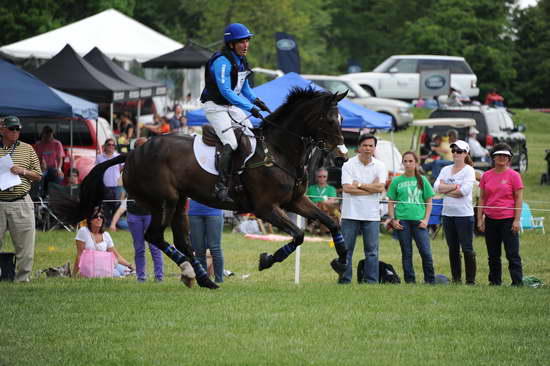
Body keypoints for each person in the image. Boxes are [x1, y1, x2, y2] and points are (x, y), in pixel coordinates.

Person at [199, 23, 270, 202]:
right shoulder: (222, 61)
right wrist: (249, 107)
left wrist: (256, 101)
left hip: (230, 107)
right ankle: (220, 186)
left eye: (247, 41)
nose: (246, 45)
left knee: (252, 136)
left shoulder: (242, 61)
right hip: (215, 107)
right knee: (231, 142)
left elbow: (245, 88)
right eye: (241, 42)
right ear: (231, 44)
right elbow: (226, 91)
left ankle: (244, 177)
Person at [339, 134, 386, 284]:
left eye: (371, 146)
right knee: (346, 250)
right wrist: (371, 189)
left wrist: (358, 184)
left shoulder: (380, 166)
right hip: (350, 214)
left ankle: (371, 281)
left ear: (374, 148)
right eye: (365, 145)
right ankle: (345, 280)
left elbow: (380, 187)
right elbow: (346, 188)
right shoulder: (348, 165)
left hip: (371, 215)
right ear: (359, 147)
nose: (367, 148)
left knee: (372, 252)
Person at [0, 116, 42, 282]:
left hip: (21, 201)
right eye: (12, 129)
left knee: (25, 245)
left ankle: (23, 279)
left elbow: (38, 175)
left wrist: (22, 171)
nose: (15, 132)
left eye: (18, 129)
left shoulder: (27, 149)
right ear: (2, 130)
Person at [477, 143, 524, 286]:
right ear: (493, 157)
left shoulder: (514, 176)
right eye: (499, 155)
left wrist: (516, 220)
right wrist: (480, 218)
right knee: (493, 255)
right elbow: (482, 198)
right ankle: (494, 281)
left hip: (508, 220)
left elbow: (518, 198)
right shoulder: (486, 176)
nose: (502, 157)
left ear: (509, 158)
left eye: (505, 155)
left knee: (512, 254)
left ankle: (517, 282)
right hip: (490, 219)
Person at [386, 151, 435, 284]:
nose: (407, 164)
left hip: (419, 222)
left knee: (425, 252)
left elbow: (429, 201)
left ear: (416, 163)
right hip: (402, 222)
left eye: (410, 161)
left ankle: (430, 280)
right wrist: (393, 219)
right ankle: (410, 281)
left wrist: (426, 220)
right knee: (407, 253)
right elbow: (390, 202)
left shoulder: (423, 180)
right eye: (405, 161)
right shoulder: (396, 180)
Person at [433, 140, 477, 284]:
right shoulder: (446, 169)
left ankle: (470, 281)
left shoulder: (469, 170)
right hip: (447, 214)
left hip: (464, 215)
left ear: (466, 153)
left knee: (467, 248)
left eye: (459, 151)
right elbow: (435, 188)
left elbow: (464, 191)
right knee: (453, 249)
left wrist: (445, 189)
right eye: (453, 151)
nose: (455, 154)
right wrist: (454, 188)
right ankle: (456, 279)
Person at [73, 207, 133, 277]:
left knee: (129, 272)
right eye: (95, 217)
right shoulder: (83, 231)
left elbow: (117, 256)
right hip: (91, 268)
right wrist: (74, 274)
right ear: (90, 220)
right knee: (116, 275)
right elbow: (79, 255)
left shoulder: (106, 235)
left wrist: (130, 265)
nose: (99, 218)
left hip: (105, 265)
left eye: (101, 216)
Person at [188, 199, 225, 283]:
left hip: (214, 212)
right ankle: (203, 280)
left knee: (215, 248)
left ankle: (219, 280)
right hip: (194, 212)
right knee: (199, 250)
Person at [95, 138, 123, 227]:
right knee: (105, 205)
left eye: (113, 145)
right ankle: (106, 223)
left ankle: (115, 224)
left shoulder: (118, 156)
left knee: (117, 204)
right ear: (105, 146)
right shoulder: (99, 157)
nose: (111, 146)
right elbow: (96, 170)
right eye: (109, 144)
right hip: (105, 185)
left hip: (117, 185)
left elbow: (123, 168)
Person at [306, 167, 340, 235]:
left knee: (324, 206)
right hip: (313, 209)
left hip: (329, 210)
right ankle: (325, 230)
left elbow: (331, 201)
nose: (322, 178)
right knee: (323, 209)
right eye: (320, 176)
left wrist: (319, 203)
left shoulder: (331, 189)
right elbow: (306, 201)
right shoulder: (311, 188)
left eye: (324, 176)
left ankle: (313, 224)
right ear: (316, 177)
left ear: (327, 177)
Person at [34, 125, 65, 197]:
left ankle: (53, 195)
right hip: (43, 169)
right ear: (43, 134)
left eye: (50, 134)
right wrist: (40, 166)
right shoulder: (38, 144)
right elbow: (36, 158)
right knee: (40, 177)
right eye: (46, 134)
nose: (48, 136)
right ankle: (41, 195)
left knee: (59, 177)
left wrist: (59, 169)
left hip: (54, 168)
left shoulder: (57, 144)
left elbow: (60, 158)